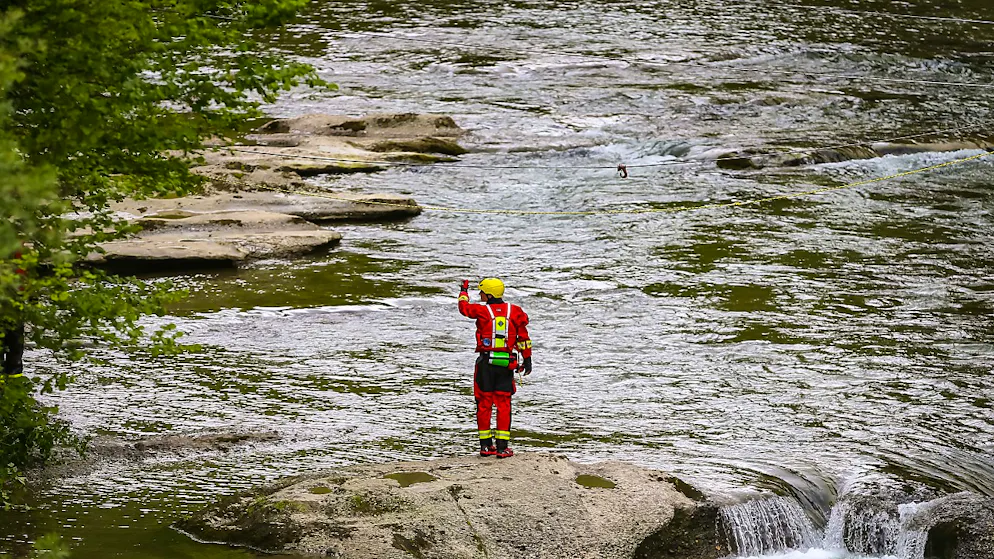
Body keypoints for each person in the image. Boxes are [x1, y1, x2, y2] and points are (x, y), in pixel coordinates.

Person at [458, 278, 532, 458]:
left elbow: (464, 308)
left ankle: (485, 447)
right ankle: (502, 448)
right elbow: (523, 338)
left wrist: (463, 291)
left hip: (485, 364)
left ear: (489, 295)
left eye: (482, 292)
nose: (480, 295)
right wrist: (527, 359)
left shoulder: (481, 311)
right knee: (503, 405)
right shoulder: (515, 311)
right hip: (506, 365)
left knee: (483, 404)